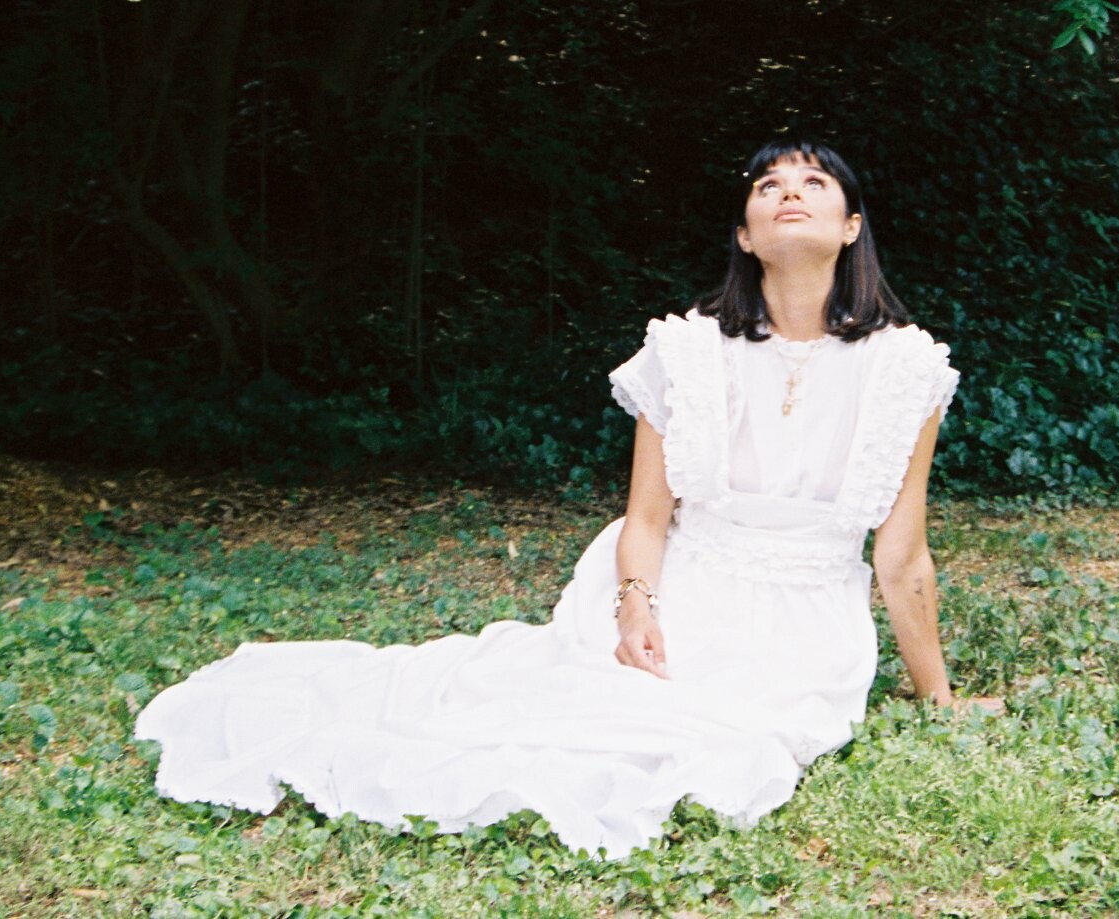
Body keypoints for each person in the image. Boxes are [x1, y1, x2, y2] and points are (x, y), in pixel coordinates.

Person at [134, 136, 1000, 860]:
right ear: (744, 233)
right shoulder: (687, 353)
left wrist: (939, 696)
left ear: (851, 226)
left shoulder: (906, 367)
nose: (789, 194)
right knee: (562, 717)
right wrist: (635, 607)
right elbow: (648, 518)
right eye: (767, 185)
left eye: (814, 182)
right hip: (686, 590)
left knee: (726, 742)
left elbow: (901, 555)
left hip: (805, 625)